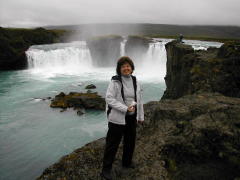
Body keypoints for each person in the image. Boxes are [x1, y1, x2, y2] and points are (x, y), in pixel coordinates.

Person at [100, 56, 144, 180]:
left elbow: (139, 100)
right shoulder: (115, 82)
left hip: (131, 118)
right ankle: (106, 170)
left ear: (132, 68)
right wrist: (125, 108)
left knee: (130, 142)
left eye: (128, 66)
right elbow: (109, 98)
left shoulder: (136, 81)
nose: (126, 68)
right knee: (112, 144)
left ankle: (127, 163)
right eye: (123, 66)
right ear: (119, 69)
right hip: (117, 118)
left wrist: (140, 116)